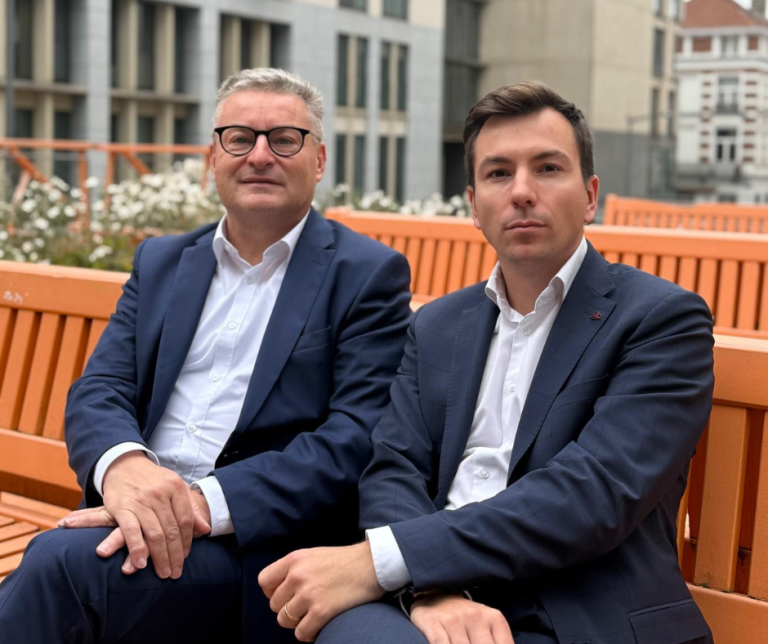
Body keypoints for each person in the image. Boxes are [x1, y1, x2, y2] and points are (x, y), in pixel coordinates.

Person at [257, 81, 716, 644]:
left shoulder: (661, 319)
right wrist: (429, 588)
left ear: (590, 195)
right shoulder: (437, 325)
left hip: (574, 610)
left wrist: (386, 560)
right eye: (499, 173)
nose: (522, 191)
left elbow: (592, 494)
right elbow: (394, 467)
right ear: (474, 206)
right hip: (435, 597)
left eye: (548, 168)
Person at [0, 68, 411, 643]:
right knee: (58, 567)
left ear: (318, 161)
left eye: (284, 139)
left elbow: (353, 438)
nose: (260, 155)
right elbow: (101, 388)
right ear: (213, 157)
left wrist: (193, 505)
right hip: (134, 511)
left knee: (57, 567)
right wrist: (125, 469)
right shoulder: (163, 261)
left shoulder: (367, 274)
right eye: (239, 138)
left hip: (248, 547)